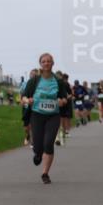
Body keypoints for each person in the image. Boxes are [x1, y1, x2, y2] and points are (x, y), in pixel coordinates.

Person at [21, 53, 71, 184]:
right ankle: (38, 154)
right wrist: (28, 100)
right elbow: (23, 98)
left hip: (53, 115)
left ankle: (45, 173)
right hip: (37, 115)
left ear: (53, 63)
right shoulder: (34, 81)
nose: (46, 63)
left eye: (49, 61)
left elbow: (65, 98)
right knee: (38, 145)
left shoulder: (58, 81)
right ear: (40, 64)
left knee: (48, 143)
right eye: (44, 61)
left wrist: (62, 101)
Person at [19, 68, 37, 145]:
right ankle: (28, 135)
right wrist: (21, 101)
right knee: (26, 126)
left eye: (34, 74)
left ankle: (33, 141)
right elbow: (21, 93)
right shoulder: (24, 84)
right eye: (31, 74)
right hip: (26, 105)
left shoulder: (39, 84)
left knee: (33, 123)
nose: (32, 75)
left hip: (35, 106)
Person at [57, 72, 73, 146]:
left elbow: (70, 94)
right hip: (55, 104)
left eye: (59, 77)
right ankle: (58, 137)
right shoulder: (52, 83)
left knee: (63, 119)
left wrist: (65, 98)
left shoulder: (65, 84)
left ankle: (63, 134)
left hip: (65, 104)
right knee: (57, 120)